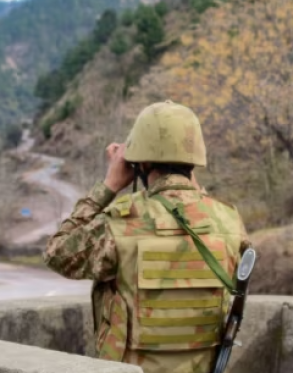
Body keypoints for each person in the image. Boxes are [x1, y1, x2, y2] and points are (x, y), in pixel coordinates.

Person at [44, 100, 249, 373]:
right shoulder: (229, 221)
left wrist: (108, 186)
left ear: (140, 161)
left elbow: (57, 253)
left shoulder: (119, 223)